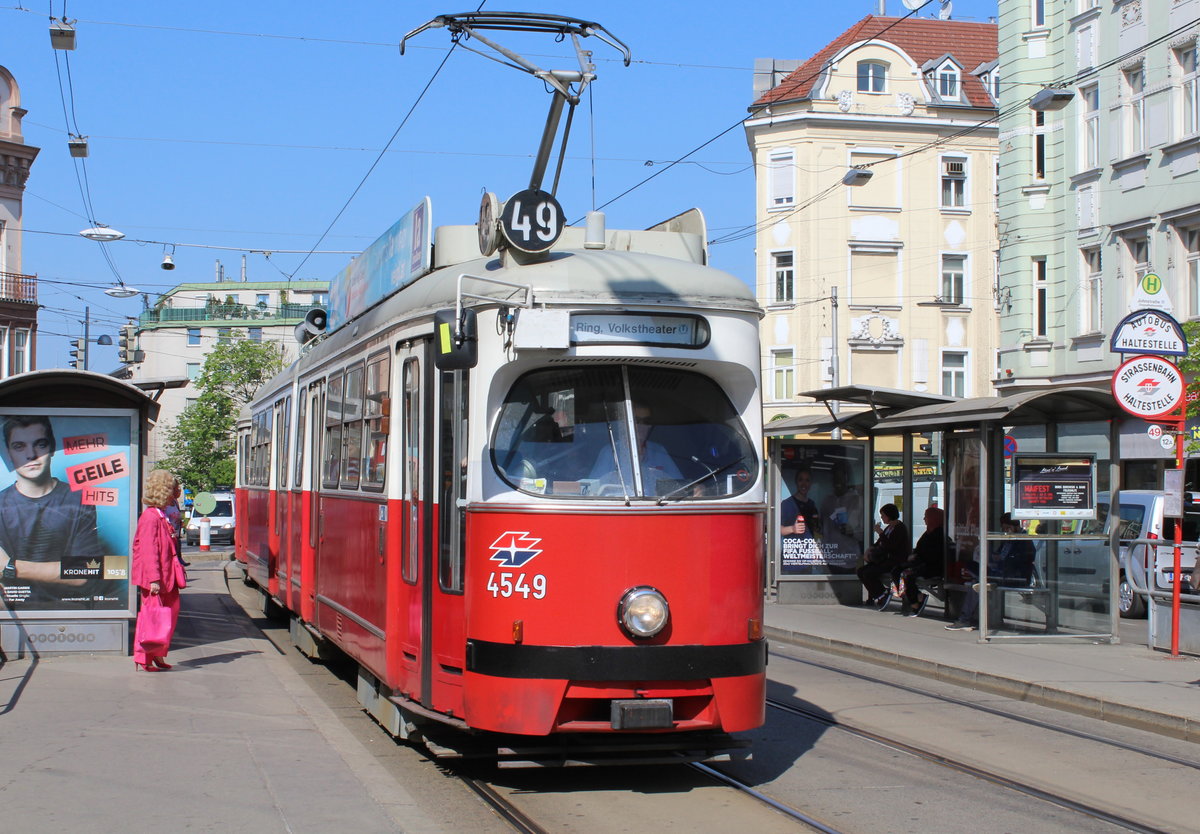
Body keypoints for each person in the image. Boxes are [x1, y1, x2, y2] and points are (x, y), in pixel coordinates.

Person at [0, 415, 103, 605]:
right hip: (12, 614)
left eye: (40, 444)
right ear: (8, 454)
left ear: (52, 447)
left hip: (69, 610)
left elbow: (83, 572)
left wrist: (10, 567)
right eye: (19, 446)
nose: (31, 455)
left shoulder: (78, 499)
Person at [131, 470, 187, 671]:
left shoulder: (158, 514)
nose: (175, 493)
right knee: (152, 619)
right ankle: (144, 657)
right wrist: (154, 579)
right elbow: (148, 551)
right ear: (164, 491)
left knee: (168, 616)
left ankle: (158, 654)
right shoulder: (150, 517)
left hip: (167, 576)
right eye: (172, 489)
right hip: (158, 578)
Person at [946, 513, 1036, 631]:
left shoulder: (1024, 540)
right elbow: (999, 554)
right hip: (1000, 572)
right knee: (970, 567)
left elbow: (1024, 559)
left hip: (1013, 576)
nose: (1004, 531)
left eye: (1005, 528)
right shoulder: (1008, 539)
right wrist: (995, 558)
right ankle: (966, 617)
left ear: (1012, 526)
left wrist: (1004, 560)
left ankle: (964, 619)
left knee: (976, 585)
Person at [588, 406, 682, 497]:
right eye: (636, 421)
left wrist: (693, 490)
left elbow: (680, 487)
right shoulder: (610, 451)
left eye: (646, 421)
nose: (641, 426)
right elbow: (592, 490)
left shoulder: (659, 451)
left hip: (656, 508)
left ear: (650, 426)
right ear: (625, 423)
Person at [899, 506, 952, 617]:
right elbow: (920, 549)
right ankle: (912, 597)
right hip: (923, 564)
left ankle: (915, 603)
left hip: (933, 567)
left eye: (926, 517)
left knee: (908, 575)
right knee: (899, 570)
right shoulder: (928, 532)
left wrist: (916, 557)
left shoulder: (938, 534)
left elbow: (931, 554)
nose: (924, 519)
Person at [857, 504, 910, 610]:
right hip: (885, 559)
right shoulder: (889, 528)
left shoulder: (900, 528)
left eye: (883, 515)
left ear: (889, 515)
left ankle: (882, 594)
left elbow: (891, 546)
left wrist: (880, 532)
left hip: (895, 560)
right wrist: (870, 550)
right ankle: (880, 594)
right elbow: (880, 543)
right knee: (861, 571)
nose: (882, 518)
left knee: (869, 573)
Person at [819, 461, 864, 568]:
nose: (838, 482)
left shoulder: (857, 501)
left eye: (841, 477)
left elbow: (865, 533)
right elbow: (821, 529)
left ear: (847, 479)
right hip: (829, 558)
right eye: (835, 478)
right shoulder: (827, 501)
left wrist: (852, 532)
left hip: (849, 559)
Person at [781, 464, 819, 539]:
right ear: (796, 482)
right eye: (801, 480)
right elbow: (777, 529)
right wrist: (792, 528)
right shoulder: (786, 504)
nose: (804, 484)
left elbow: (815, 527)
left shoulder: (812, 504)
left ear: (811, 483)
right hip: (792, 549)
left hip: (810, 549)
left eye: (807, 480)